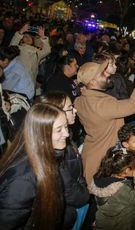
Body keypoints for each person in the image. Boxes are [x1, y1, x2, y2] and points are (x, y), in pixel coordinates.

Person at [75, 59, 135, 184]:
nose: (107, 74)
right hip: (103, 161)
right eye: (102, 73)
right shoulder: (102, 104)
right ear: (92, 82)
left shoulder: (79, 101)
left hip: (90, 155)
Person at [0, 103, 69, 229]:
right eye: (59, 129)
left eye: (66, 127)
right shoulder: (22, 180)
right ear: (40, 134)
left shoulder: (42, 154)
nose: (67, 134)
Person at [36, 92, 90, 230]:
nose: (75, 110)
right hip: (70, 211)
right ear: (55, 112)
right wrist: (85, 194)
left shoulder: (65, 137)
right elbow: (69, 189)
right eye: (70, 107)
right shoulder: (56, 149)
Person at [89, 146, 135, 230]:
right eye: (134, 166)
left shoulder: (104, 176)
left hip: (106, 222)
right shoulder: (120, 190)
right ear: (126, 171)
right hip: (121, 224)